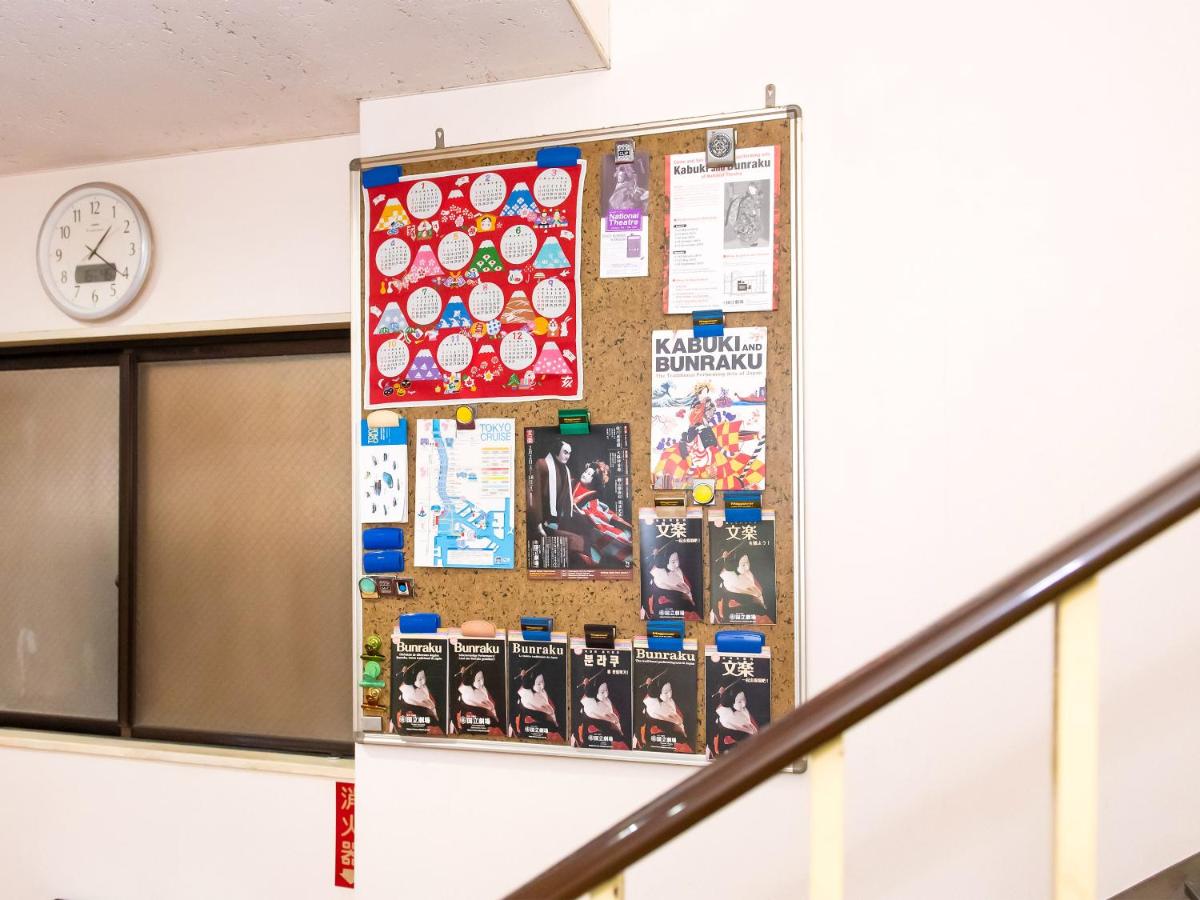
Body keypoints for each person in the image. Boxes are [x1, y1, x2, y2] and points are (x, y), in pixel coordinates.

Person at [529, 438, 593, 567]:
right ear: (557, 451)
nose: (567, 456)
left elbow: (567, 501)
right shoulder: (542, 464)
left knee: (584, 538)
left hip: (556, 521)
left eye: (569, 453)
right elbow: (534, 495)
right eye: (565, 452)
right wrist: (538, 524)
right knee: (576, 542)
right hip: (540, 522)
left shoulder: (566, 471)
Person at [571, 460, 632, 568]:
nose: (585, 474)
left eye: (589, 474)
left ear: (594, 480)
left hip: (582, 526)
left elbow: (595, 512)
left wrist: (584, 512)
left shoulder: (592, 497)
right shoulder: (572, 482)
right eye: (585, 472)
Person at [712, 551, 771, 623]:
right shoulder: (731, 575)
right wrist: (725, 558)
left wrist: (725, 558)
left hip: (758, 598)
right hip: (759, 596)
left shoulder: (727, 584)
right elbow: (744, 561)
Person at [638, 678, 691, 753]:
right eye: (666, 692)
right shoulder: (655, 708)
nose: (669, 694)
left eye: (670, 690)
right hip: (670, 741)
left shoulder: (669, 701)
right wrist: (649, 685)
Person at [643, 548, 698, 620]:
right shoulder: (660, 578)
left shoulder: (677, 571)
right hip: (674, 611)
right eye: (673, 562)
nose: (677, 564)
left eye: (677, 560)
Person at [574, 677, 627, 749]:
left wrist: (587, 685)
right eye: (602, 692)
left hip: (611, 733)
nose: (606, 694)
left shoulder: (604, 703)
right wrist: (587, 685)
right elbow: (589, 694)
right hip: (604, 734)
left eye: (606, 690)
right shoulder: (591, 706)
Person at [511, 669, 562, 742]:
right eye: (539, 684)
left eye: (543, 682)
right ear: (531, 684)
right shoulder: (529, 697)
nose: (542, 686)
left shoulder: (541, 692)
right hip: (536, 729)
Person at [708, 685, 758, 757]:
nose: (743, 704)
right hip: (728, 729)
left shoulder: (733, 713)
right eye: (740, 701)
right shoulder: (726, 715)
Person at [395, 667, 442, 735]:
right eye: (420, 679)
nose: (423, 681)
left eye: (424, 677)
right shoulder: (409, 694)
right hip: (422, 725)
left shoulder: (422, 686)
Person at [454, 667, 500, 735]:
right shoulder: (468, 694)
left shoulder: (485, 689)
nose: (482, 682)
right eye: (478, 680)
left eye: (482, 678)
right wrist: (463, 674)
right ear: (472, 681)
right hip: (476, 728)